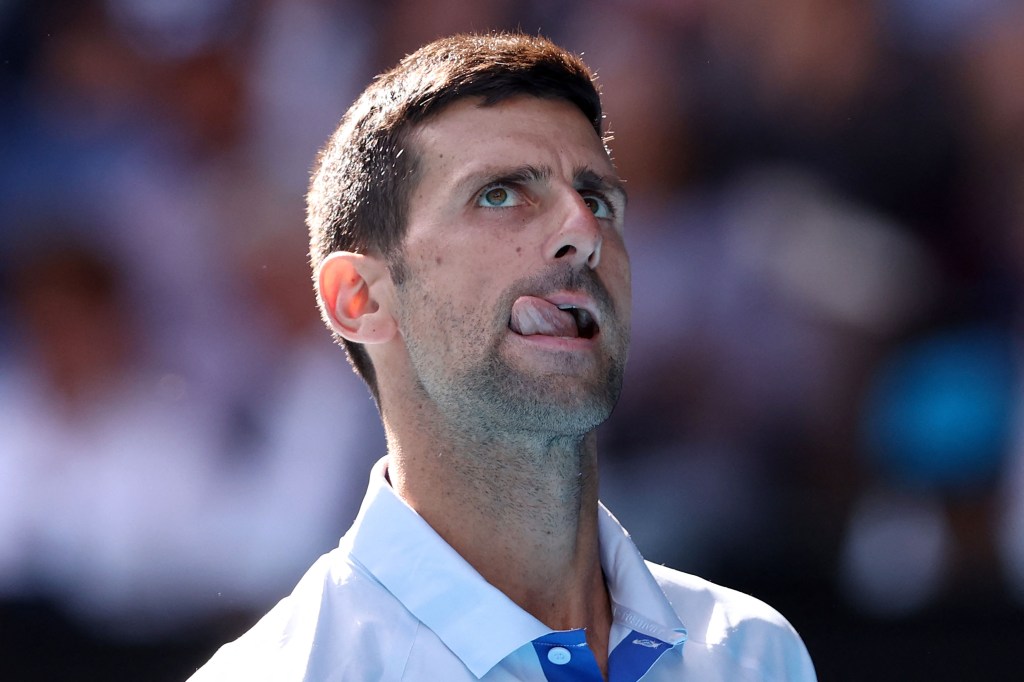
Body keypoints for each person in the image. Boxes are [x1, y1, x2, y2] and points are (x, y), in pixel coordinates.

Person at [189, 32, 816, 681]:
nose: (583, 231)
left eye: (599, 200)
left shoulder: (758, 653)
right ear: (361, 299)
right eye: (499, 195)